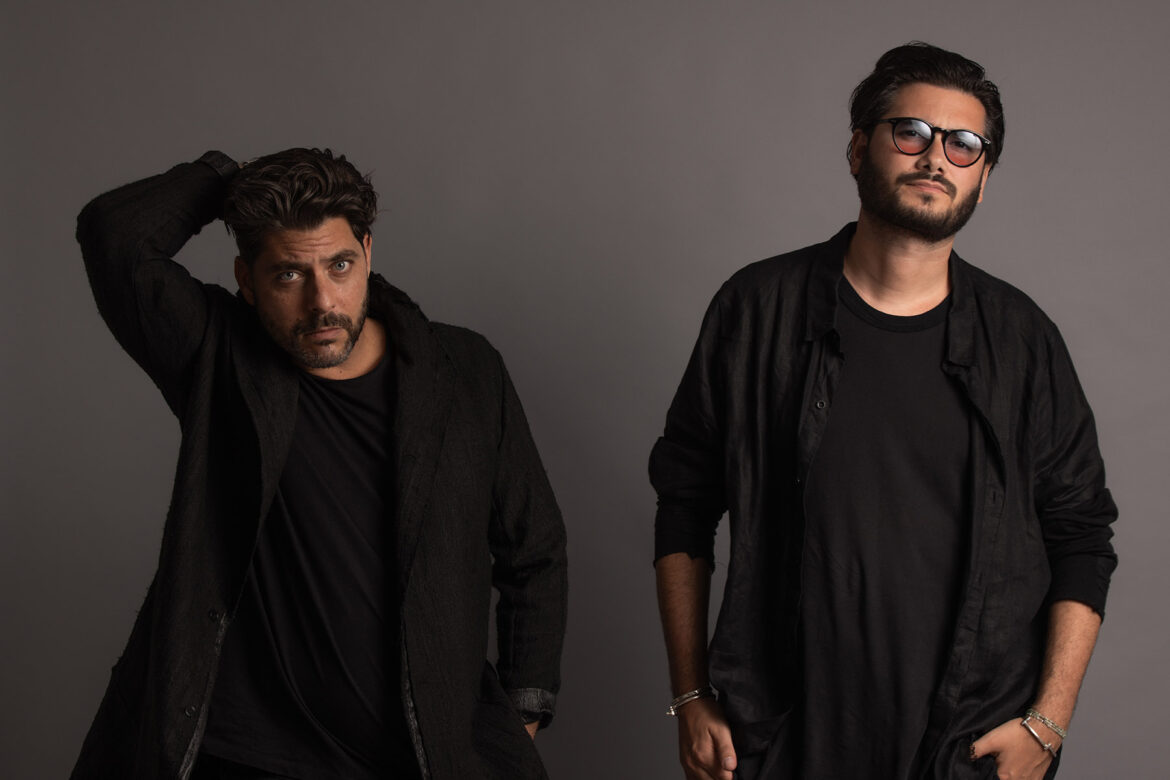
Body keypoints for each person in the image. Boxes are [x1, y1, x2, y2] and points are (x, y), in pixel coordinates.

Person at [650, 42, 1117, 780]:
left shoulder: (1023, 341)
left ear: (983, 180)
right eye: (912, 133)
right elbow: (685, 504)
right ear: (857, 149)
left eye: (964, 145)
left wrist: (1048, 724)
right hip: (779, 739)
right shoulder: (756, 310)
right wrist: (690, 694)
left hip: (965, 748)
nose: (936, 158)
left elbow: (1083, 536)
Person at [71, 148, 568, 780]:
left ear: (367, 252)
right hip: (243, 756)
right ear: (246, 279)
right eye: (288, 275)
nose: (322, 302)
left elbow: (534, 549)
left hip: (418, 759)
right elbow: (113, 234)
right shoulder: (218, 355)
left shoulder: (465, 371)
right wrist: (225, 177)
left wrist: (520, 713)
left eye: (339, 265)